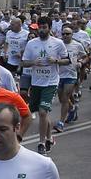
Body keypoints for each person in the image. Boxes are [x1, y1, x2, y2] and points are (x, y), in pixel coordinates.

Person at [20, 24, 66, 153]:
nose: (41, 30)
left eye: (44, 27)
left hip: (51, 82)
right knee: (42, 113)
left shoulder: (58, 43)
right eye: (40, 27)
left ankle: (41, 143)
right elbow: (24, 62)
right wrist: (34, 62)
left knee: (42, 112)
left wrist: (56, 61)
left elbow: (67, 60)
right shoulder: (31, 43)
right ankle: (50, 137)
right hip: (36, 82)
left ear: (49, 28)